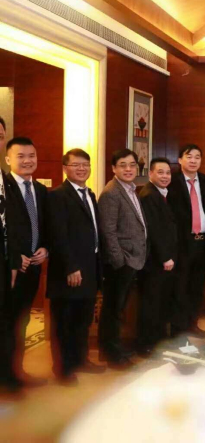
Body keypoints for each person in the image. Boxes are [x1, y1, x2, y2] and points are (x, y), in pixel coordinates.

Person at [47, 149, 105, 385]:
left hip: (90, 268)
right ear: (65, 168)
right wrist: (71, 267)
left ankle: (80, 359)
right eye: (76, 165)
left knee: (83, 320)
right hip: (69, 271)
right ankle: (63, 368)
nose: (82, 169)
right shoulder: (57, 196)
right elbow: (58, 235)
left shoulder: (89, 194)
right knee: (64, 322)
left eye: (85, 165)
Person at [4, 137, 48, 387]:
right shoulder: (3, 188)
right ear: (8, 159)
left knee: (23, 321)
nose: (27, 160)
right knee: (7, 323)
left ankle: (17, 371)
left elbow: (45, 226)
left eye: (31, 155)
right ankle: (7, 376)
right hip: (10, 268)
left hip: (33, 267)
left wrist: (45, 248)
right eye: (20, 156)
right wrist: (13, 254)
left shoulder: (40, 190)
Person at [97, 149, 147, 369]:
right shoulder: (111, 193)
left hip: (133, 259)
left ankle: (114, 348)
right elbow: (107, 231)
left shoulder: (131, 189)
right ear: (113, 168)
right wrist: (119, 261)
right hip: (120, 263)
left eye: (132, 165)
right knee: (112, 310)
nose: (128, 169)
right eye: (123, 165)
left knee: (119, 309)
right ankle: (111, 354)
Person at [167, 144, 205, 339]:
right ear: (180, 160)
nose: (193, 160)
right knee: (180, 287)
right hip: (182, 243)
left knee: (197, 287)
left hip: (203, 243)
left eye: (197, 157)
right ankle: (178, 330)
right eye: (189, 156)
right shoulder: (171, 182)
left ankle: (192, 324)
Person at [137, 158, 178, 354]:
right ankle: (148, 345)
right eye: (160, 172)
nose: (165, 176)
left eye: (168, 173)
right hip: (156, 261)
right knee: (151, 304)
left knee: (161, 303)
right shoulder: (149, 195)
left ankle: (158, 342)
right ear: (150, 174)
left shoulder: (160, 193)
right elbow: (154, 230)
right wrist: (165, 257)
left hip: (163, 260)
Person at [0, 117, 25, 397]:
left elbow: (13, 225)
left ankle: (7, 375)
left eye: (0, 135)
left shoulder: (5, 180)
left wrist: (15, 262)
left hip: (6, 263)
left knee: (6, 321)